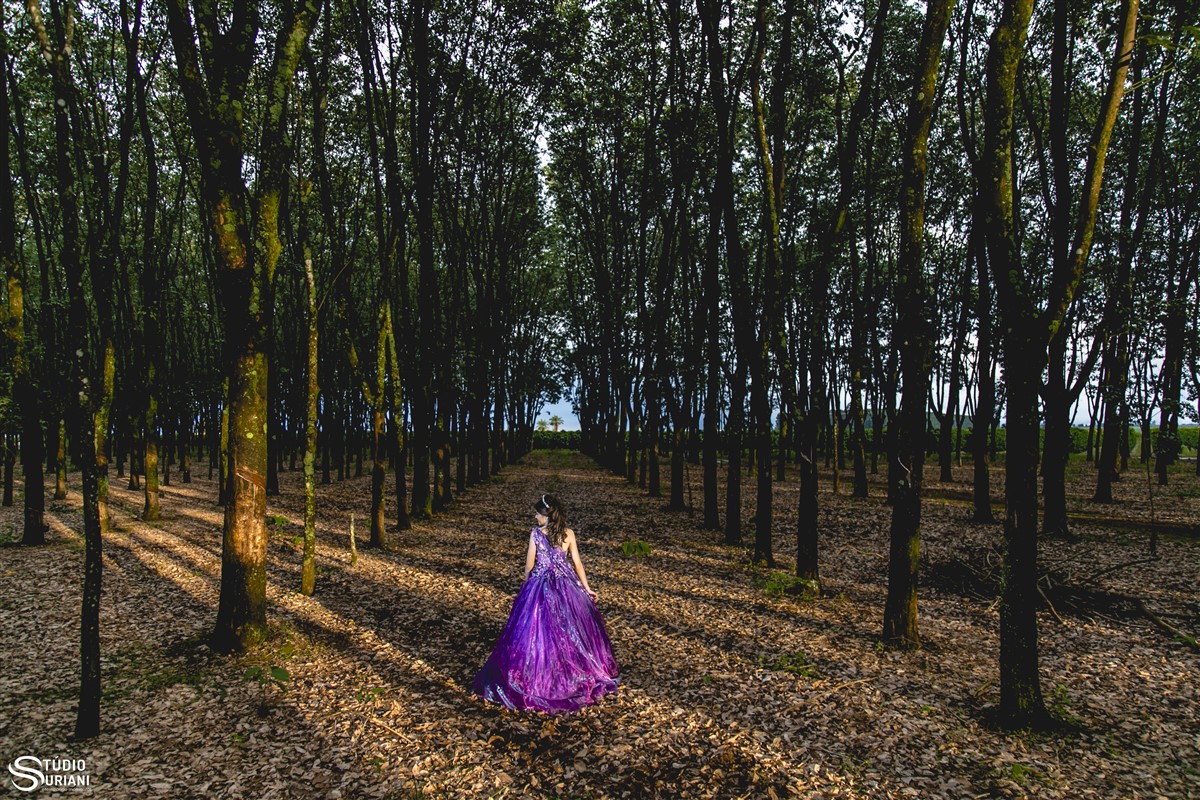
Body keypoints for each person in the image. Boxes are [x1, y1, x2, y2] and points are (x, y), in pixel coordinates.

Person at [472, 493, 619, 713]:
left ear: (545, 515)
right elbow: (577, 564)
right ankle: (566, 673)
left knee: (535, 632)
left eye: (537, 513)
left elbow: (529, 565)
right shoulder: (568, 534)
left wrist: (527, 585)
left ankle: (540, 677)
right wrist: (586, 588)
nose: (535, 516)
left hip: (539, 586)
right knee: (569, 632)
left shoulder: (535, 535)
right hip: (565, 585)